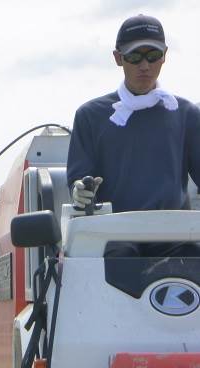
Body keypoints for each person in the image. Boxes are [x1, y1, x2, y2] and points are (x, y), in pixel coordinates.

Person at [66, 14, 200, 257]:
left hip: (176, 239)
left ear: (165, 55)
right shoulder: (90, 116)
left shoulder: (187, 114)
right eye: (135, 56)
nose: (145, 66)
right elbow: (77, 182)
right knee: (117, 262)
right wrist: (80, 191)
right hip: (114, 239)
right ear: (118, 58)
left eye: (153, 55)